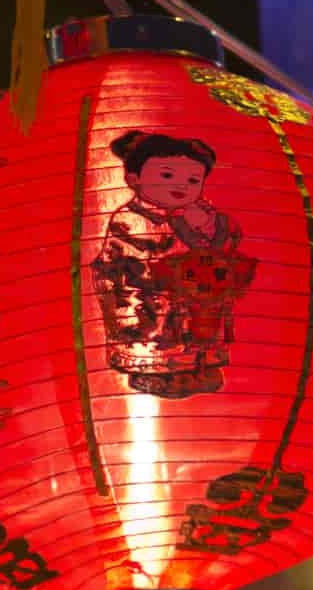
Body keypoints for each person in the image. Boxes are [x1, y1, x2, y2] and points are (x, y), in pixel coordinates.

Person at [92, 130, 254, 399]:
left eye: (193, 179)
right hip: (148, 292)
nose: (180, 185)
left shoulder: (201, 212)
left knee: (199, 331)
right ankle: (152, 372)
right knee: (157, 333)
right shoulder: (131, 217)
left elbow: (228, 243)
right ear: (134, 180)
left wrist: (206, 225)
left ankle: (197, 369)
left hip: (193, 293)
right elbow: (135, 257)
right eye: (166, 176)